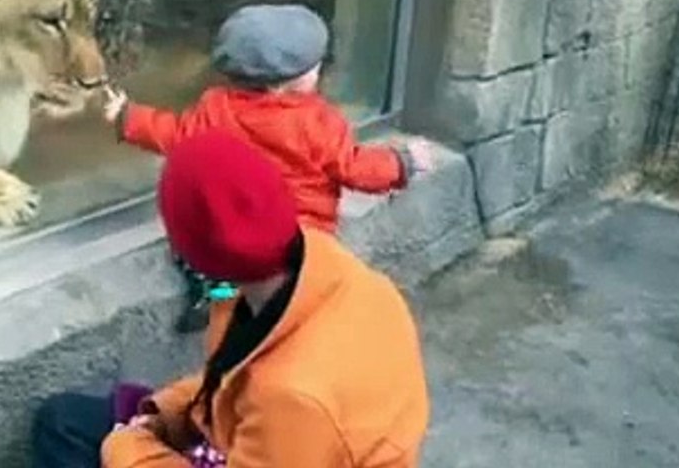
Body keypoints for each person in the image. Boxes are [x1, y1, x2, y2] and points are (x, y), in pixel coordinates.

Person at [31, 131, 431, 467]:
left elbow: (274, 401)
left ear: (193, 253)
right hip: (268, 443)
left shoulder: (292, 395)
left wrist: (128, 446)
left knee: (79, 443)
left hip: (282, 441)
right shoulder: (312, 270)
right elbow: (231, 383)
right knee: (64, 421)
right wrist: (161, 412)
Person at [102, 3, 433, 329]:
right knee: (303, 289)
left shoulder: (215, 109)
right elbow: (355, 168)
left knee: (196, 243)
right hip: (300, 239)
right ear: (278, 85)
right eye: (312, 67)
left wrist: (128, 118)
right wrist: (403, 162)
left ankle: (217, 291)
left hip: (233, 236)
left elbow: (175, 134)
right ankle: (292, 316)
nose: (319, 71)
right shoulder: (318, 122)